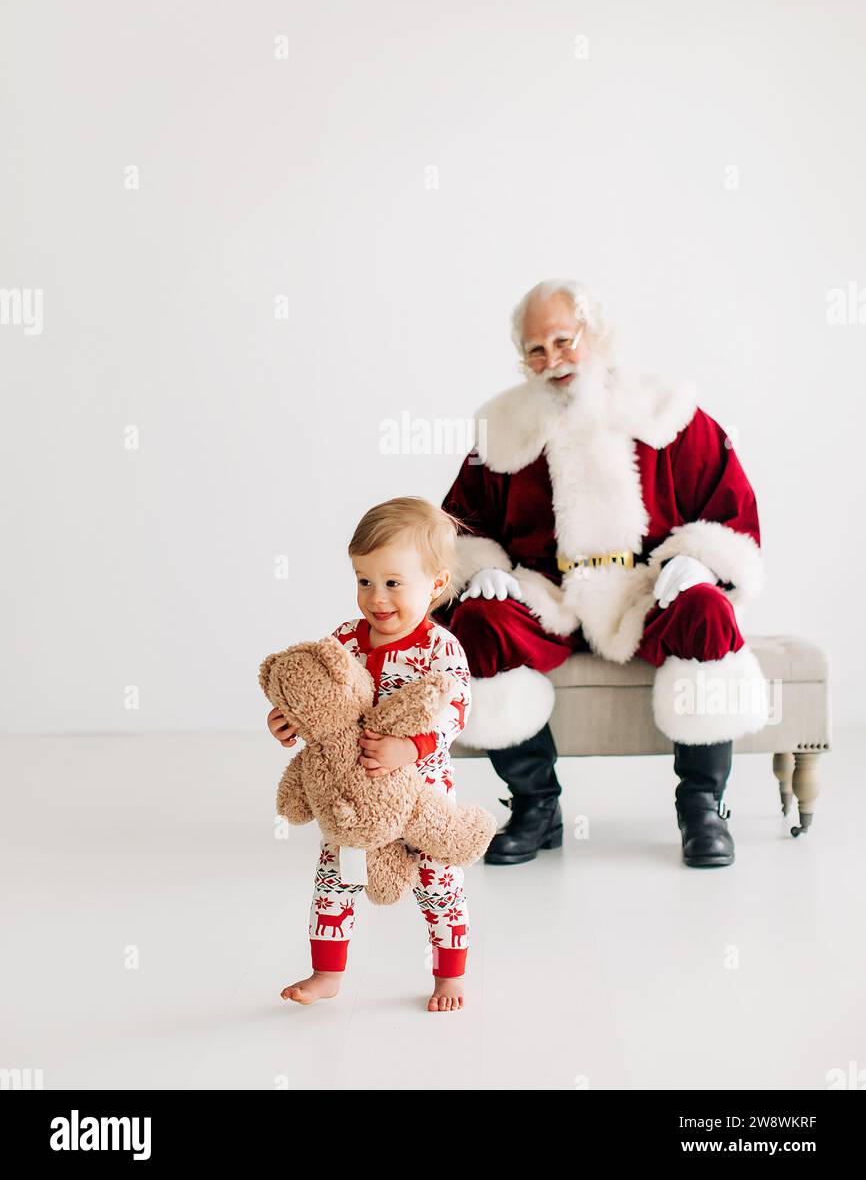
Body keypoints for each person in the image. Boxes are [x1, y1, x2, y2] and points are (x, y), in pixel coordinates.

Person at [437, 279, 767, 869]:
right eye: (536, 350)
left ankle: (702, 808)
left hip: (645, 590)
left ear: (597, 336)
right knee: (478, 621)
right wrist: (479, 569)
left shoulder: (666, 412)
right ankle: (536, 807)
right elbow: (458, 525)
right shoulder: (502, 430)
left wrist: (700, 559)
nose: (552, 360)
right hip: (550, 593)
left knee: (708, 612)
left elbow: (730, 509)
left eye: (564, 341)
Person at [266, 497, 474, 1011]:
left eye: (393, 583)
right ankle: (327, 972)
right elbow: (319, 700)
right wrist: (290, 722)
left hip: (421, 796)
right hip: (352, 798)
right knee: (335, 879)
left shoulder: (439, 649)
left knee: (438, 883)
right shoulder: (342, 642)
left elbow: (456, 710)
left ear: (436, 584)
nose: (376, 598)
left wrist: (412, 746)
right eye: (364, 581)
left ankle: (450, 975)